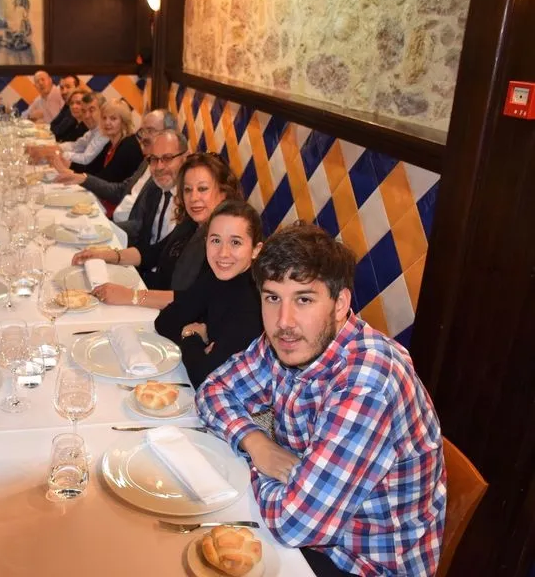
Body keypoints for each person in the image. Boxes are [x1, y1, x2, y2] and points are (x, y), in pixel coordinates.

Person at [196, 223, 447, 577]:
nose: (284, 321)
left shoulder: (367, 383)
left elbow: (293, 524)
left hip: (362, 563)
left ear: (340, 304)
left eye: (303, 299)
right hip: (312, 531)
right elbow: (212, 390)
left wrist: (270, 472)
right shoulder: (288, 343)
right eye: (272, 298)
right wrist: (256, 443)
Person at [73, 151, 242, 307]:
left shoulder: (225, 242)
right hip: (158, 305)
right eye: (188, 190)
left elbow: (195, 299)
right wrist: (107, 254)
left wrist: (132, 296)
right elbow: (153, 254)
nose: (194, 197)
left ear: (224, 191)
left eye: (203, 189)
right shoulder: (191, 224)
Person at [154, 200, 264, 388]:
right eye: (215, 240)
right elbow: (165, 321)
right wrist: (200, 345)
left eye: (235, 242)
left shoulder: (253, 301)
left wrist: (191, 336)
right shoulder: (215, 276)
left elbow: (205, 379)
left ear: (255, 250)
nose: (223, 253)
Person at [55, 109, 176, 209]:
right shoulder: (147, 160)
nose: (144, 137)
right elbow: (120, 189)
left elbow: (114, 187)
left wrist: (77, 174)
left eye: (150, 131)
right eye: (143, 131)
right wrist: (81, 177)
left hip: (117, 211)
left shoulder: (129, 146)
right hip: (118, 211)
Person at [50, 98, 143, 207]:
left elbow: (105, 179)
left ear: (123, 122)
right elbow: (93, 168)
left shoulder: (128, 145)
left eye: (113, 119)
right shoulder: (111, 143)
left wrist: (73, 174)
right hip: (106, 199)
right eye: (104, 118)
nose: (107, 123)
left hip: (119, 206)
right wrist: (70, 165)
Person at [117, 129, 188, 249]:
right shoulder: (153, 187)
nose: (159, 167)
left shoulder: (192, 199)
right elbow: (139, 228)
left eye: (167, 158)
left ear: (185, 158)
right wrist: (106, 228)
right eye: (154, 159)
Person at [28, 91, 108, 169]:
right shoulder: (92, 131)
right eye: (83, 111)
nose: (86, 116)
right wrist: (49, 148)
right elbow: (75, 146)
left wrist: (54, 153)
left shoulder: (104, 133)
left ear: (103, 111)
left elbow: (85, 159)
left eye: (91, 110)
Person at [50, 75, 87, 142]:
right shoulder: (67, 105)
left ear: (78, 88)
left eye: (68, 87)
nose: (64, 91)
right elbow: (53, 125)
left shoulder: (78, 113)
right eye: (61, 88)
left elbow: (58, 132)